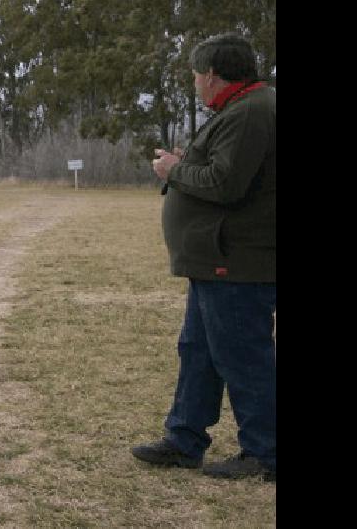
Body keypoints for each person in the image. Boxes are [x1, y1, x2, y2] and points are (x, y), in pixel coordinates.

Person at [131, 33, 276, 481]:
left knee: (242, 356)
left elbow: (225, 183)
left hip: (236, 260)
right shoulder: (244, 107)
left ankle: (266, 453)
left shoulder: (252, 111)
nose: (194, 82)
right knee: (199, 351)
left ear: (212, 74)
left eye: (196, 74)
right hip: (217, 259)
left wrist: (175, 169)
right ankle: (185, 439)